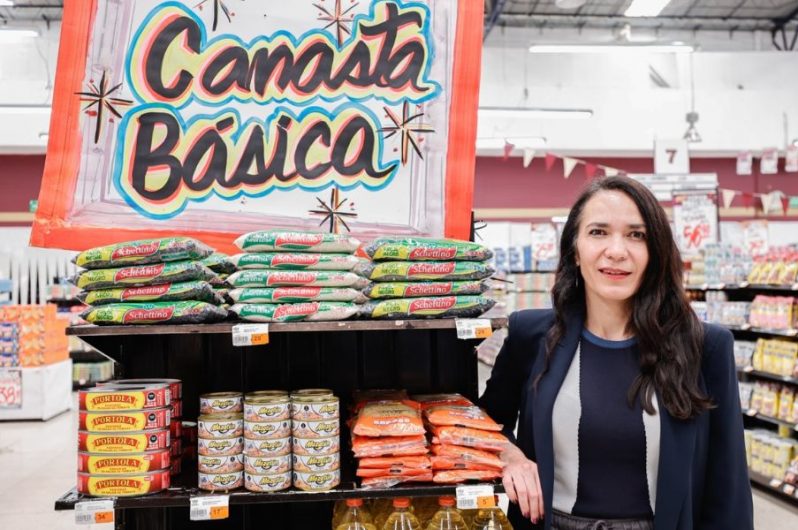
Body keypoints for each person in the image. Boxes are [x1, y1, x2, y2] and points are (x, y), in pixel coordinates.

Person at [479, 176, 753, 530]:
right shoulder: (530, 334)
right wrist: (510, 457)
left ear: (655, 252)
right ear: (574, 249)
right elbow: (482, 424)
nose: (617, 250)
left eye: (636, 235)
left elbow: (728, 487)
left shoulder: (705, 346)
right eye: (598, 232)